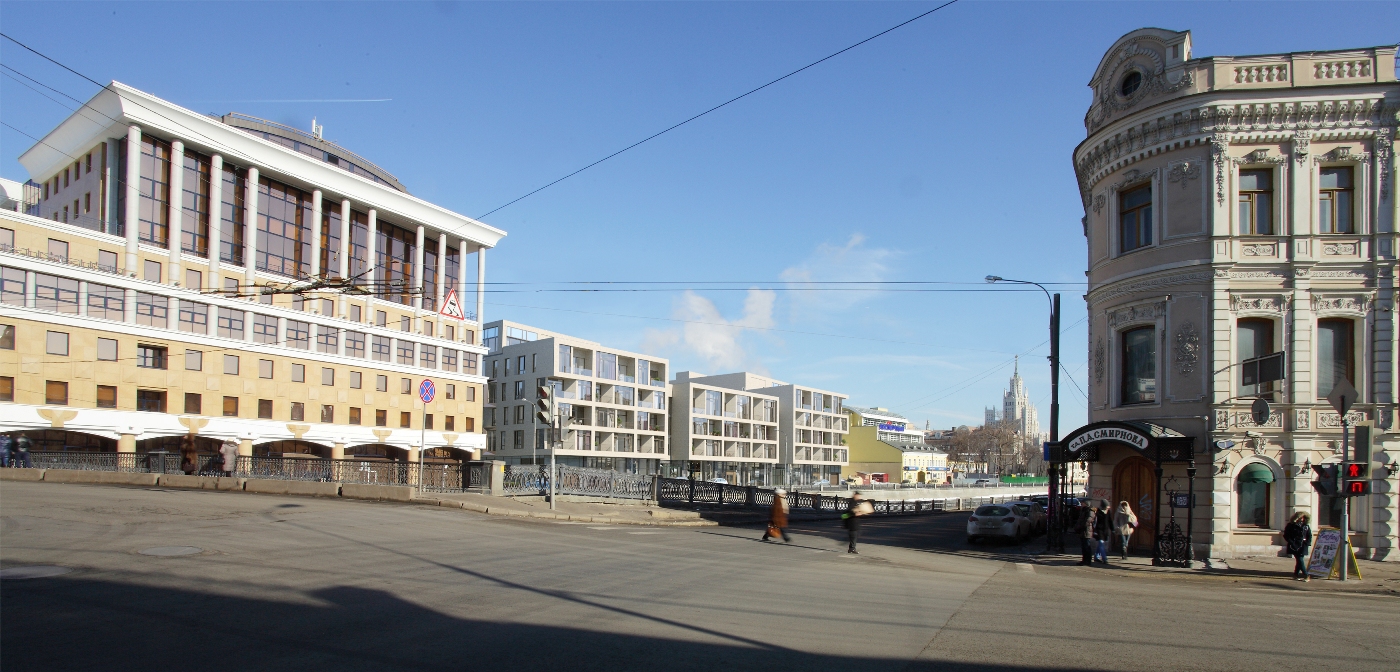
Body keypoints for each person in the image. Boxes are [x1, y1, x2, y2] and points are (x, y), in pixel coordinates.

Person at [1283, 511, 1312, 582]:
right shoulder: (1291, 525)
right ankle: (1306, 575)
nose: (1302, 519)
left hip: (1303, 545)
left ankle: (1296, 574)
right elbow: (1286, 535)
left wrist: (1307, 543)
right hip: (1294, 545)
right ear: (1297, 518)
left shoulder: (1306, 526)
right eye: (1300, 517)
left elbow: (1309, 535)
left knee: (1299, 560)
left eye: (1303, 517)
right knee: (1300, 559)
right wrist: (1292, 543)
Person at [1077, 501, 1099, 566]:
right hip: (1083, 530)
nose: (1081, 504)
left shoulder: (1090, 511)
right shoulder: (1083, 510)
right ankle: (1084, 560)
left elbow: (1088, 520)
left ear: (1086, 504)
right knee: (1084, 546)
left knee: (1087, 546)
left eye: (1083, 503)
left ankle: (1088, 561)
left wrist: (1081, 526)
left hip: (1087, 530)